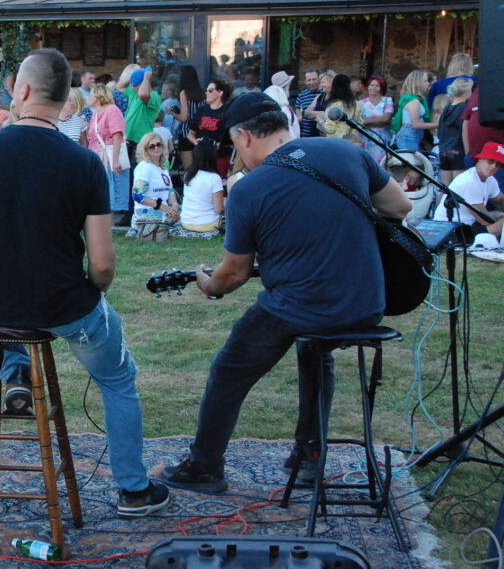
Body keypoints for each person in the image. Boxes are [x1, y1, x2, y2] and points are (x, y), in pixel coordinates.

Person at [0, 48, 170, 519]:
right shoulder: (83, 162)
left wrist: (1, 259)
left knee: (8, 313)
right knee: (118, 380)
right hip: (65, 303)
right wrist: (95, 292)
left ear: (22, 90)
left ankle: (15, 372)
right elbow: (103, 264)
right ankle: (133, 489)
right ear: (65, 96)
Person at [157, 92, 411, 492]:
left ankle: (204, 466)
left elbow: (234, 274)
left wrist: (208, 284)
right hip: (367, 303)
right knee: (317, 351)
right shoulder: (344, 151)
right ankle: (310, 457)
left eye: (234, 146)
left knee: (229, 370)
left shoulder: (250, 189)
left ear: (243, 137)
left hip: (301, 307)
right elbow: (399, 207)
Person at [432, 141, 504, 239]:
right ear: (480, 159)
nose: (494, 166)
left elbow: (500, 200)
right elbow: (485, 220)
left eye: (499, 164)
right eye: (490, 161)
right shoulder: (470, 182)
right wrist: (498, 216)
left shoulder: (489, 179)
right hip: (451, 231)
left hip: (467, 225)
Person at [88, 84, 129, 222]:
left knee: (113, 185)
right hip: (98, 156)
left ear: (98, 95)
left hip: (110, 156)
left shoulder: (112, 110)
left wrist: (115, 160)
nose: (89, 97)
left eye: (91, 94)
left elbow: (117, 135)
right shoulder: (95, 114)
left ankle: (113, 218)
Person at [130, 132, 180, 241]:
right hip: (147, 211)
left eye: (159, 144)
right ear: (145, 149)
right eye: (151, 146)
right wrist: (162, 207)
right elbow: (137, 195)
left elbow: (170, 191)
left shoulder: (163, 167)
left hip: (164, 210)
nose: (156, 148)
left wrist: (174, 205)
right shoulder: (144, 167)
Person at [178, 139, 225, 234]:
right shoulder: (214, 178)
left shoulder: (188, 175)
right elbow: (219, 210)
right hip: (208, 224)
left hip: (186, 222)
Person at [189, 79, 233, 178]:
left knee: (219, 182)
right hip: (200, 156)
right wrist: (195, 142)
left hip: (220, 156)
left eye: (210, 90)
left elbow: (232, 136)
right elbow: (191, 132)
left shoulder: (227, 112)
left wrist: (218, 145)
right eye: (207, 90)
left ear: (220, 93)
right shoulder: (202, 110)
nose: (206, 93)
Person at [437, 78, 473, 185]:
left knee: (445, 187)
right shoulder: (465, 109)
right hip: (458, 151)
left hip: (444, 151)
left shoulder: (446, 108)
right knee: (459, 186)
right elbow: (464, 132)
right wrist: (468, 153)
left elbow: (440, 130)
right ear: (467, 91)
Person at [174, 65, 208, 170]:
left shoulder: (184, 93)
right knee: (202, 168)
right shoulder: (203, 93)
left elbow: (184, 117)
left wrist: (172, 113)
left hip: (186, 133)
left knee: (189, 169)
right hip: (201, 133)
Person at [393, 70, 436, 151]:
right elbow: (416, 124)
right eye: (425, 81)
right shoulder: (414, 101)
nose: (428, 83)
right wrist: (437, 124)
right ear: (418, 83)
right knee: (410, 158)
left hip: (411, 135)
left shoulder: (414, 99)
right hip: (409, 136)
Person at [321, 74, 364, 145]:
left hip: (336, 143)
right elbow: (360, 123)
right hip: (351, 143)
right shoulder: (357, 104)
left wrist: (320, 121)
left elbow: (329, 128)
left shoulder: (335, 105)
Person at [359, 76, 394, 163]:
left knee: (382, 162)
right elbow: (359, 122)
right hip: (366, 137)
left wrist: (367, 123)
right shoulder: (361, 103)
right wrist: (380, 122)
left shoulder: (387, 100)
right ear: (368, 87)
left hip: (382, 137)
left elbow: (386, 119)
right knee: (367, 162)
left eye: (377, 86)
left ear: (381, 88)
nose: (373, 88)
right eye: (371, 85)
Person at [295, 68, 322, 138]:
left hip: (322, 136)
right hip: (305, 137)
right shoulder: (301, 96)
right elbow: (298, 117)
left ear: (319, 79)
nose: (312, 82)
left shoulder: (325, 93)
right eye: (309, 80)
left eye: (314, 79)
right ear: (305, 82)